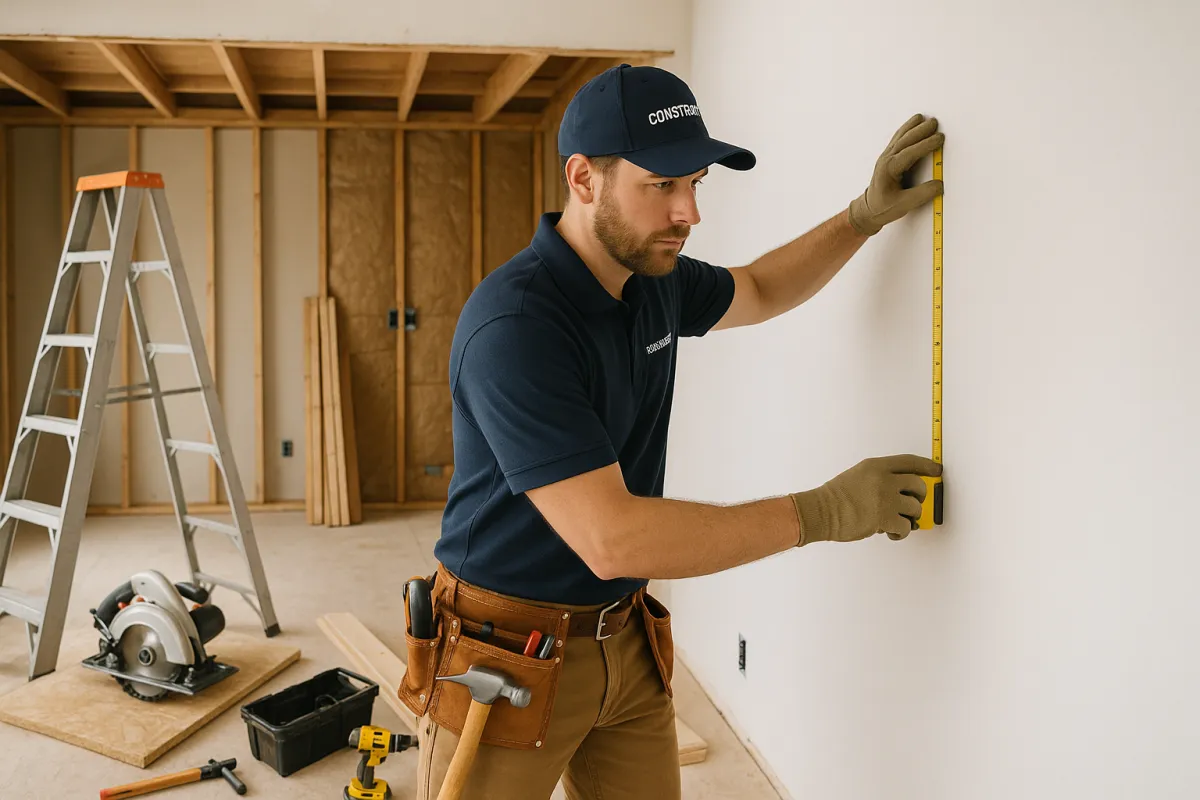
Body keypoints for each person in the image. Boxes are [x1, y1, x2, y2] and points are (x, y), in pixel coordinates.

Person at [401, 63, 945, 800]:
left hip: (622, 642)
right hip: (506, 659)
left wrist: (859, 217)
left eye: (695, 184)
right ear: (583, 178)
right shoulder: (519, 327)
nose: (689, 212)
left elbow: (756, 288)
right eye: (661, 186)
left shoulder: (653, 278)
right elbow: (613, 539)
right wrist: (825, 512)